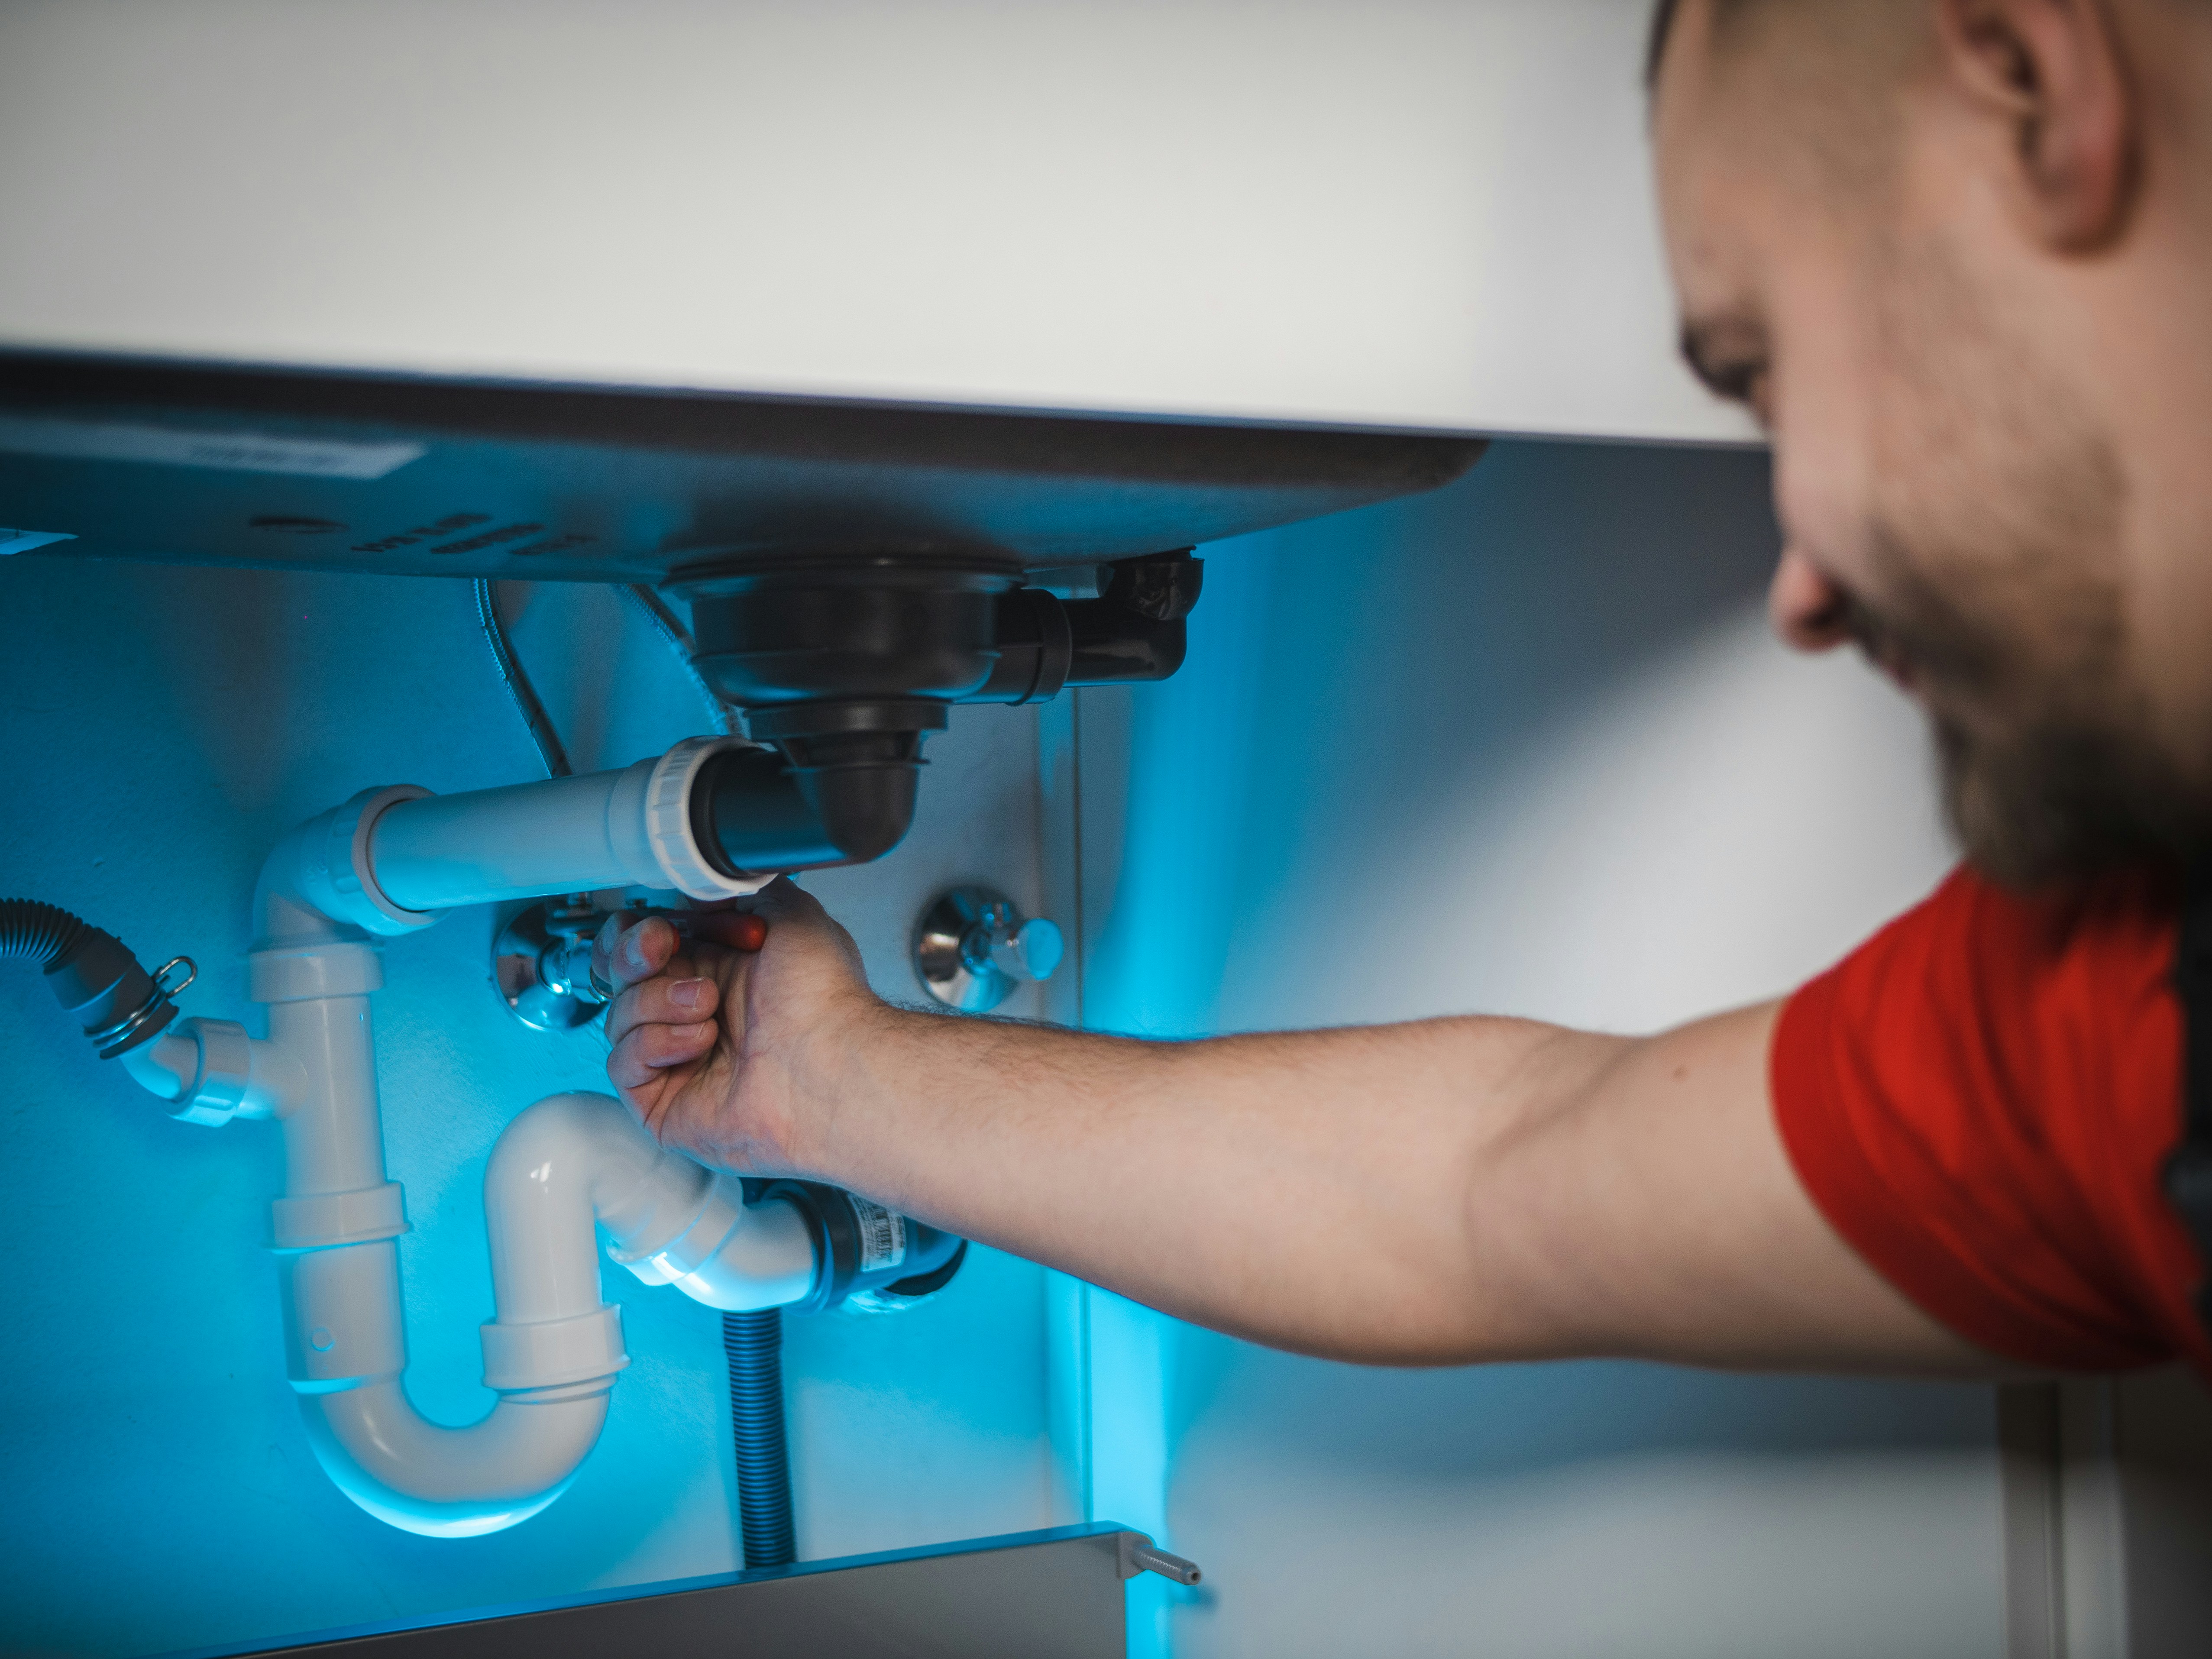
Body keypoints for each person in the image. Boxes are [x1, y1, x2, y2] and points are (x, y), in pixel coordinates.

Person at [593, 0, 2212, 1381]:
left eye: (1774, 360)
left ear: (2020, 78)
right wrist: (832, 1083)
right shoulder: (2118, 1027)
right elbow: (1486, 1193)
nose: (1806, 589)